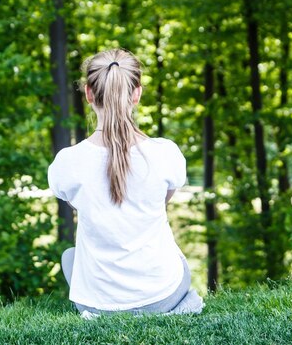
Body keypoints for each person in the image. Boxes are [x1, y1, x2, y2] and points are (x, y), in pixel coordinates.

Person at [48, 48, 204, 317]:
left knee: (69, 257)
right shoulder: (166, 153)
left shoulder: (68, 162)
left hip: (99, 304)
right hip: (163, 296)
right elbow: (162, 201)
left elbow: (77, 204)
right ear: (137, 93)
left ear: (88, 94)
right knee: (171, 253)